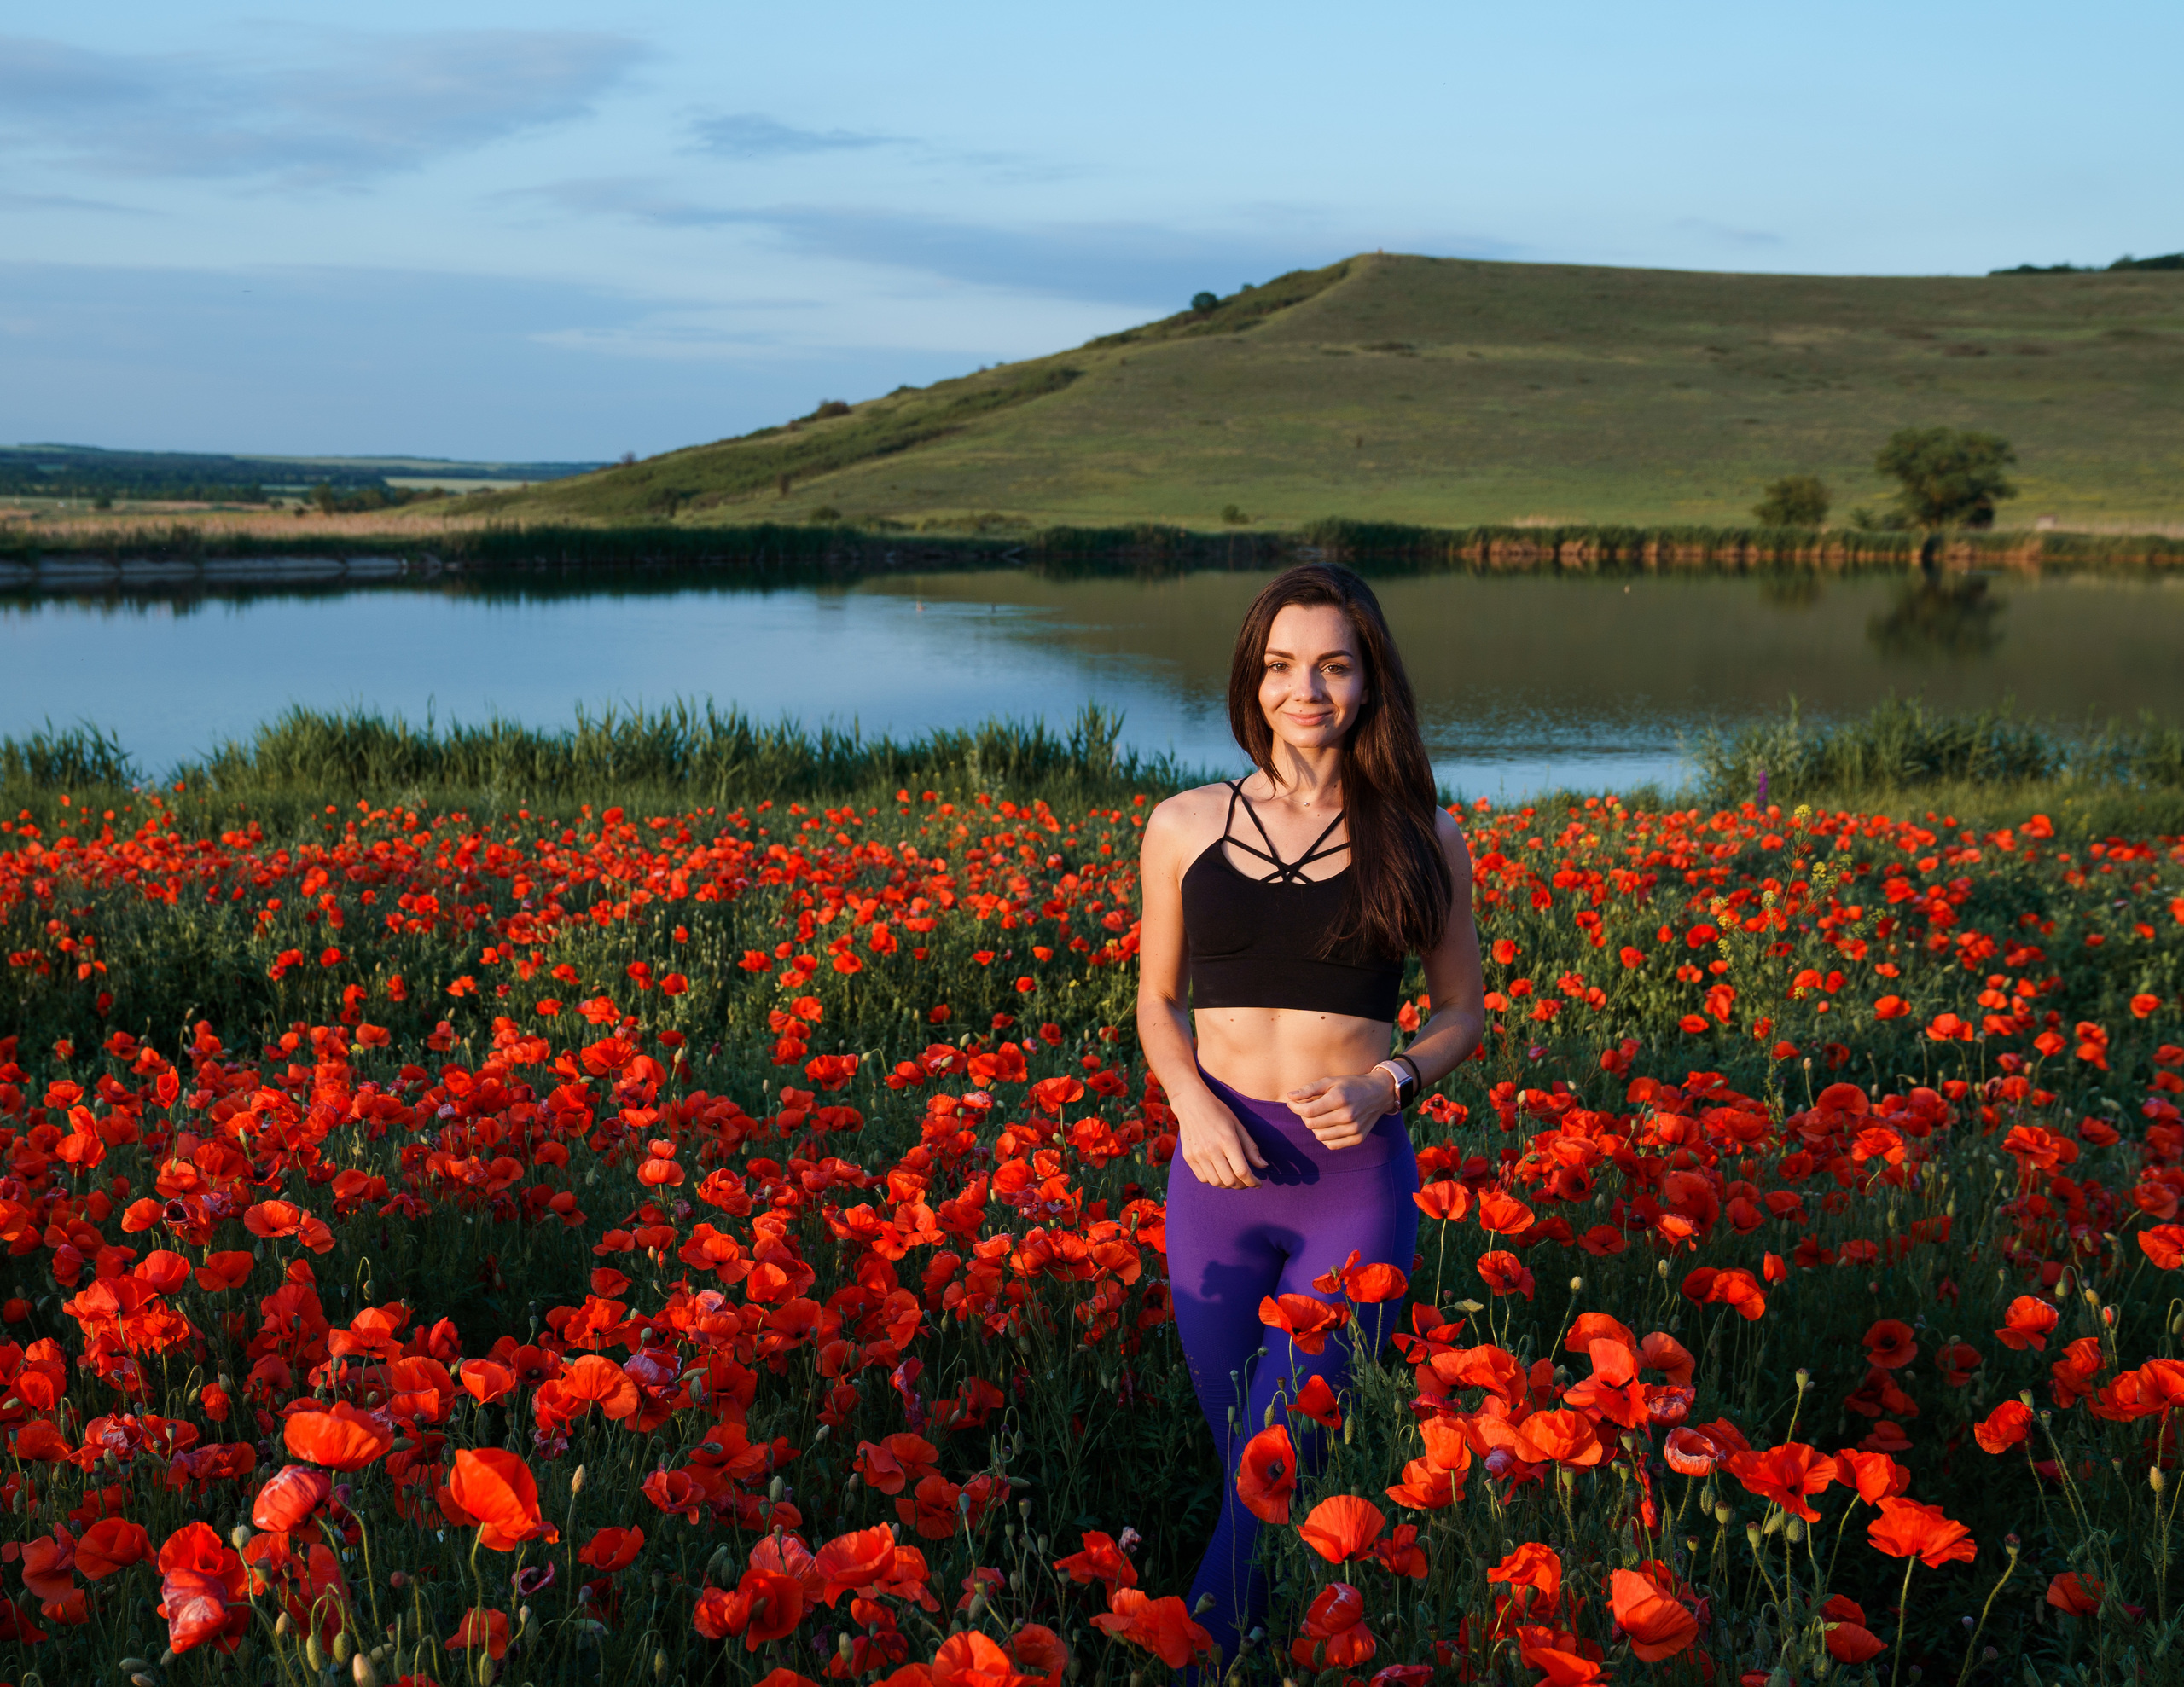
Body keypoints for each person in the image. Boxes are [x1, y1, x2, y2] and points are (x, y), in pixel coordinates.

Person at [1135, 563, 1485, 1672]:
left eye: (1334, 666)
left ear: (1370, 681)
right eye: (1283, 665)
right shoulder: (1183, 823)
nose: (1307, 689)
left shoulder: (1424, 834)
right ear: (1254, 679)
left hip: (1353, 1184)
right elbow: (1156, 999)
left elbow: (1462, 1013)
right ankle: (1298, 1642)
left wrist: (1392, 1082)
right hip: (1216, 1175)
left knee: (1275, 1467)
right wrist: (1192, 1104)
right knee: (1251, 1465)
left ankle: (1192, 1658)